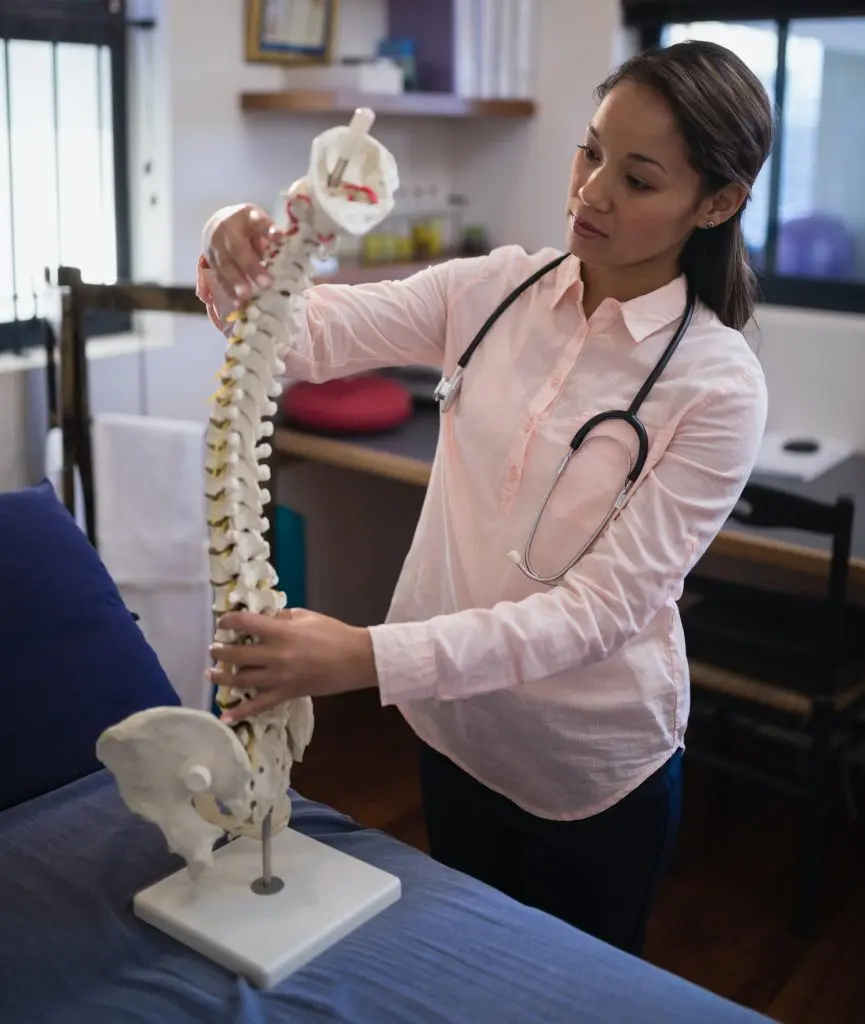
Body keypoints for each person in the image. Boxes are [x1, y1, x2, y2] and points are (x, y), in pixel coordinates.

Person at [196, 40, 773, 956]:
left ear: (717, 202)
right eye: (588, 152)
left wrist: (367, 656)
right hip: (456, 734)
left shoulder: (716, 387)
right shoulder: (497, 290)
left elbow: (598, 614)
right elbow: (292, 337)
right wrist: (234, 234)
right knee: (462, 977)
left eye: (637, 179)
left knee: (562, 995)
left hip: (585, 771)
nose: (589, 193)